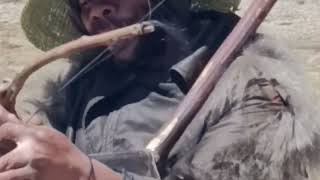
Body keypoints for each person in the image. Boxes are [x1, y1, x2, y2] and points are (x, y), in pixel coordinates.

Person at [1, 0, 320, 180]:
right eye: (84, 5)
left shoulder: (251, 84)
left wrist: (86, 173)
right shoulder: (80, 93)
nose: (97, 11)